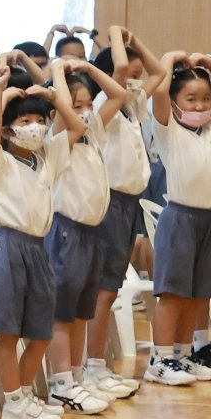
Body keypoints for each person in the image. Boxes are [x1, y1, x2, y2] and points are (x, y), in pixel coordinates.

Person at [0, 65, 84, 419]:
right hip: (8, 245)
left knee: (39, 332)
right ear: (8, 128)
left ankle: (22, 399)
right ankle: (13, 403)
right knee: (9, 333)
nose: (34, 126)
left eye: (39, 119)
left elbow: (77, 127)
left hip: (38, 248)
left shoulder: (48, 157)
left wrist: (52, 96)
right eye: (24, 121)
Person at [143, 52, 211, 384]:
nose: (199, 106)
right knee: (173, 293)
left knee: (198, 294)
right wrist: (168, 60)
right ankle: (160, 359)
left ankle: (183, 355)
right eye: (191, 99)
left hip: (208, 221)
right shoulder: (167, 128)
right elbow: (158, 90)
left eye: (204, 99)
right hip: (180, 219)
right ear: (174, 101)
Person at [44, 58, 129, 412]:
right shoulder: (60, 138)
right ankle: (60, 383)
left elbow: (119, 94)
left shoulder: (92, 133)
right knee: (62, 313)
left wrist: (91, 71)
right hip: (68, 233)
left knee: (80, 311)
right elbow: (65, 115)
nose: (84, 112)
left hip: (93, 234)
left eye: (87, 104)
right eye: (75, 106)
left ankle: (76, 377)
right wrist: (58, 73)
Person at [82, 30, 152, 394]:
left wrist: (136, 42)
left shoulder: (130, 107)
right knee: (103, 290)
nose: (136, 80)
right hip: (109, 203)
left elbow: (157, 75)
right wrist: (115, 34)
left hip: (129, 205)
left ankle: (97, 364)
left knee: (110, 288)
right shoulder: (100, 108)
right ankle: (93, 366)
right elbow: (120, 68)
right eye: (129, 75)